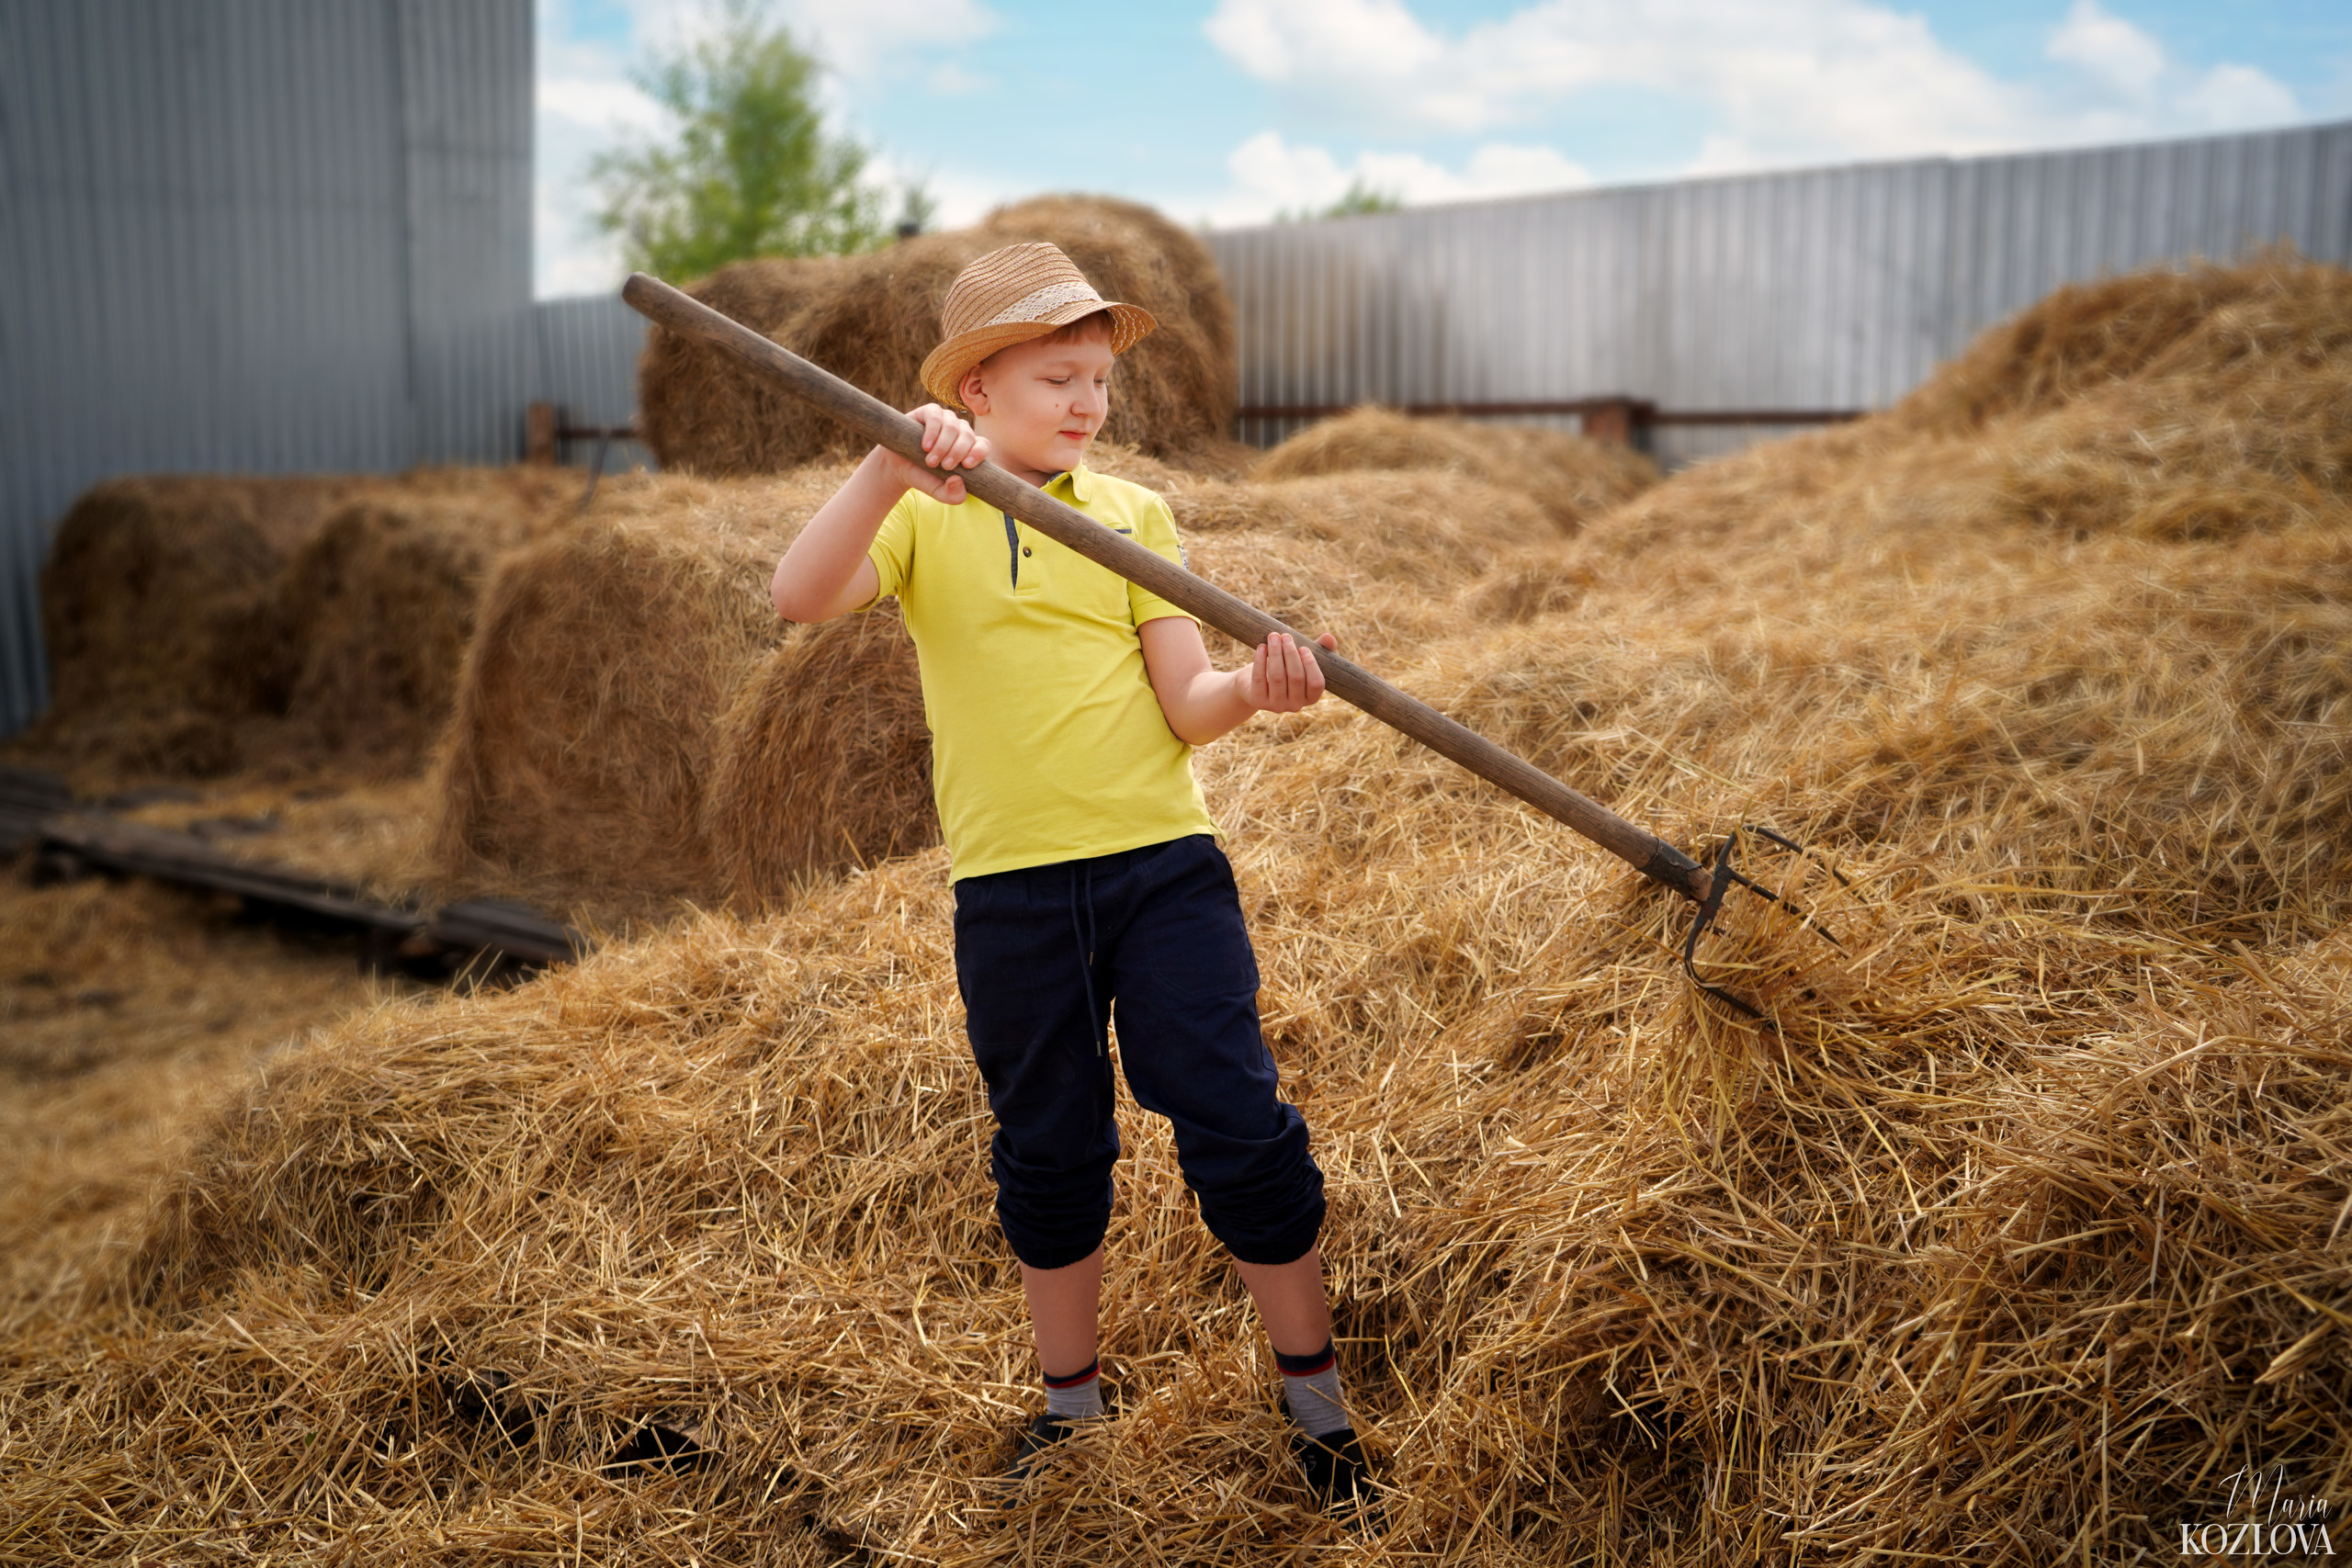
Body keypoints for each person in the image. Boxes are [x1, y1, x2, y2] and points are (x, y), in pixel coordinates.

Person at [768, 242, 1370, 1517]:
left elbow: (1188, 705)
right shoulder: (927, 518)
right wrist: (886, 459)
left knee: (1233, 1116)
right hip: (1014, 894)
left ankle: (1316, 1398)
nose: (1090, 402)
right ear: (975, 388)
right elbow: (799, 596)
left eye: (1098, 378)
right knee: (1049, 1145)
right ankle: (1072, 1406)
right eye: (1058, 376)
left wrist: (1254, 694)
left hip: (1162, 870)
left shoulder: (1133, 519)